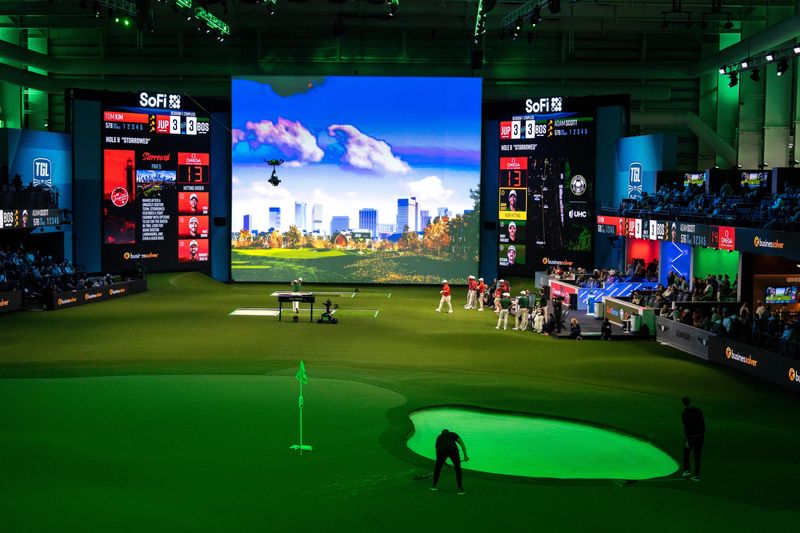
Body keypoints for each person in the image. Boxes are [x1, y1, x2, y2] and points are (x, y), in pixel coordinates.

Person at [430, 429, 468, 494]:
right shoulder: (453, 434)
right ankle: (460, 489)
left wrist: (442, 462)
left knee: (437, 469)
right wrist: (465, 456)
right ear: (448, 432)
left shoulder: (439, 437)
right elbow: (461, 443)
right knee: (457, 469)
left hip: (442, 451)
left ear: (442, 433)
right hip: (453, 450)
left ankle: (434, 486)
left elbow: (437, 449)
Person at [681, 397, 705, 481]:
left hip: (691, 438)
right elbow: (703, 424)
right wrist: (703, 435)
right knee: (697, 456)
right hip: (700, 437)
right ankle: (696, 476)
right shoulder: (699, 411)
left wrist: (687, 439)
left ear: (683, 403)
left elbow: (687, 427)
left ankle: (687, 471)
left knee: (686, 453)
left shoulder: (684, 414)